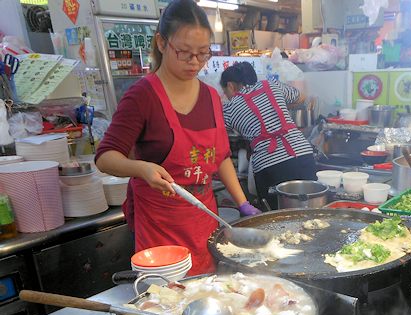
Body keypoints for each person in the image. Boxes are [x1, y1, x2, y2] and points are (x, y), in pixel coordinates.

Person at [95, 0, 259, 275]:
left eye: (203, 53)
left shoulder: (210, 97)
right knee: (169, 302)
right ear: (161, 43)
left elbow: (220, 158)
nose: (195, 62)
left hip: (203, 220)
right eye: (184, 52)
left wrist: (242, 203)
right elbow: (105, 157)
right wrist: (141, 168)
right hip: (161, 225)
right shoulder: (142, 96)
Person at [220, 62, 317, 209]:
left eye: (226, 92)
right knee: (310, 210)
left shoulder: (230, 108)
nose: (227, 97)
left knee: (275, 217)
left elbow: (216, 131)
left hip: (270, 165)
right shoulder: (271, 85)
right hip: (302, 154)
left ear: (231, 86)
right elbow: (301, 98)